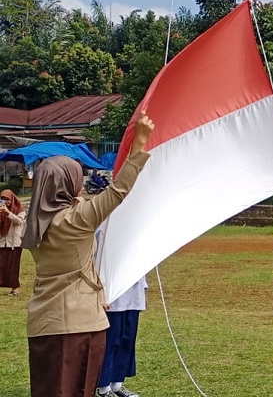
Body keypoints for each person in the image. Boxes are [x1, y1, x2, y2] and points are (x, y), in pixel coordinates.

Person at [22, 111, 153, 397]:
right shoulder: (74, 220)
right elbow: (118, 191)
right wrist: (139, 145)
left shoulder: (34, 223)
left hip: (44, 323)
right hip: (79, 324)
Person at [96, 278, 147, 397]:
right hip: (113, 296)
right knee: (112, 341)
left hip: (134, 295)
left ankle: (117, 384)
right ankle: (104, 387)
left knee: (127, 340)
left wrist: (144, 289)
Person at [0, 189, 26, 296]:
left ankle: (15, 288)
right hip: (2, 242)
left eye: (8, 200)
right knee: (1, 265)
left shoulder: (20, 209)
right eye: (3, 200)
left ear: (13, 199)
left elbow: (19, 221)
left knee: (13, 267)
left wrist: (8, 213)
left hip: (14, 244)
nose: (6, 202)